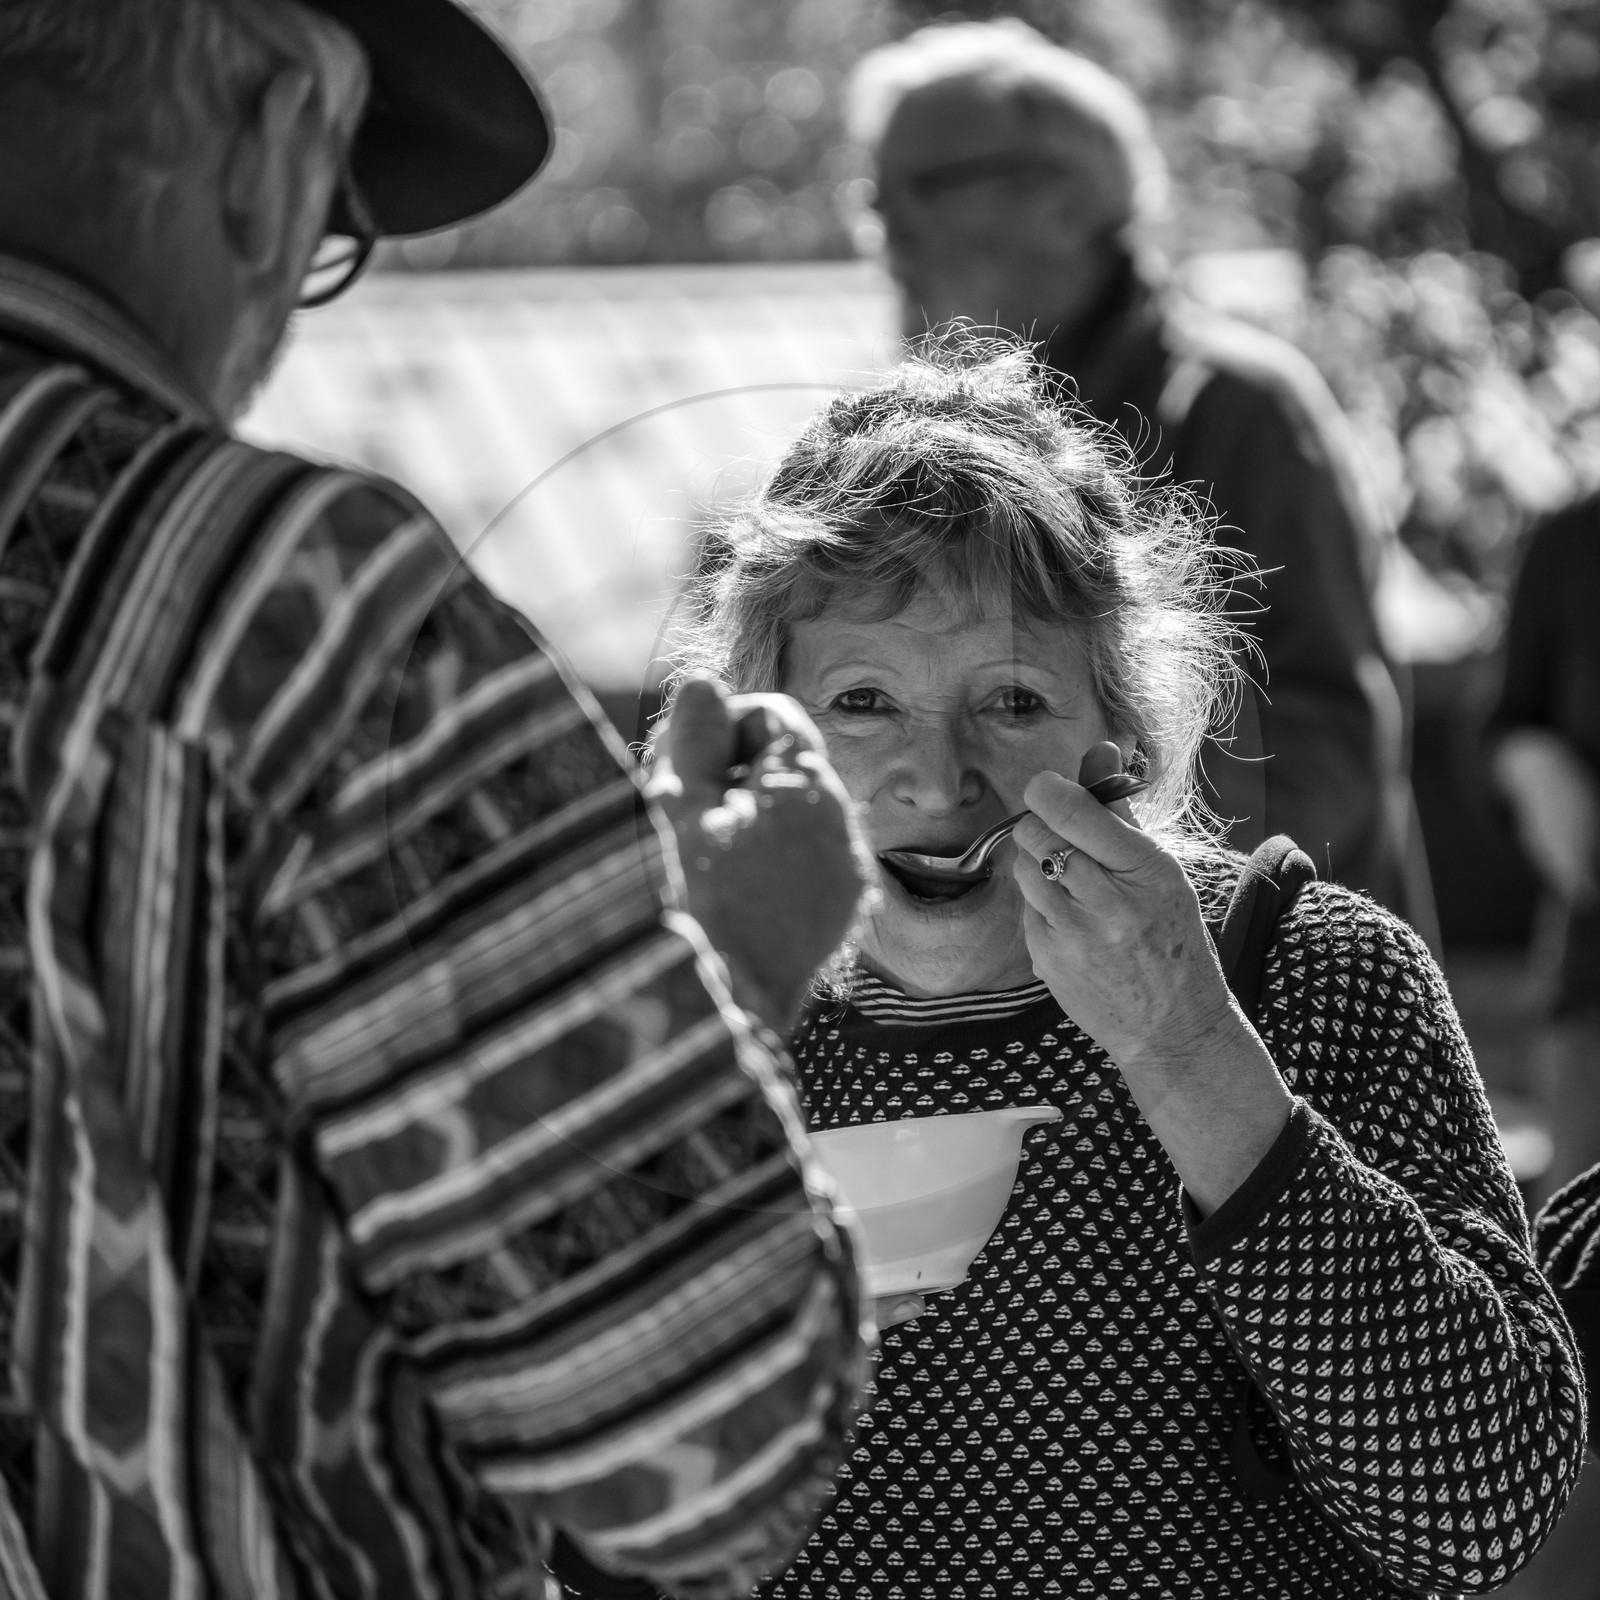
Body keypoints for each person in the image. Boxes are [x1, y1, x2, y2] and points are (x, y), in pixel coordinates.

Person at [0, 3, 874, 1596]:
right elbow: (703, 1441)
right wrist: (724, 968)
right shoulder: (294, 615)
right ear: (269, 142)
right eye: (338, 227)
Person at [672, 337, 1585, 1597]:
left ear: (1126, 733)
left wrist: (1185, 1049)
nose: (937, 781)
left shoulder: (1305, 977)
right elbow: (586, 1543)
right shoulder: (701, 1016)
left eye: (1010, 701)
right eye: (866, 699)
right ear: (766, 723)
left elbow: (1475, 1510)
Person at [847, 21, 1438, 940]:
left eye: (912, 191)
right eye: (870, 196)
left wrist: (1043, 845)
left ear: (1060, 205)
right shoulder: (919, 444)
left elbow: (1321, 754)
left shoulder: (1237, 409)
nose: (883, 233)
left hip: (1259, 1021)